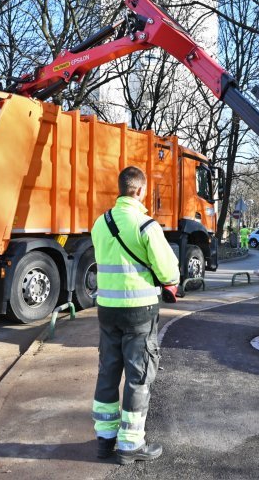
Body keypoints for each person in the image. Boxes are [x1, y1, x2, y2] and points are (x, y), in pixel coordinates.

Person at [90, 166, 180, 464]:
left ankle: (105, 440)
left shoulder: (99, 224)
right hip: (139, 311)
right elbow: (168, 272)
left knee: (108, 371)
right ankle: (130, 444)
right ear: (140, 190)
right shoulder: (146, 226)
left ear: (120, 189)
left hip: (107, 310)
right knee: (138, 376)